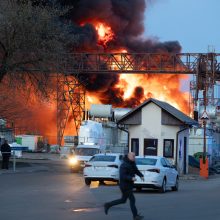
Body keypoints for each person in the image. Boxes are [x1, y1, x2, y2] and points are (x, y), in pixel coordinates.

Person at [104, 152, 144, 220]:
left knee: (123, 200)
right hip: (125, 186)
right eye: (133, 156)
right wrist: (131, 178)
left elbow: (136, 170)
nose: (134, 158)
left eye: (134, 156)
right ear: (128, 156)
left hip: (129, 185)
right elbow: (123, 176)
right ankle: (135, 216)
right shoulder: (124, 165)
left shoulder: (132, 163)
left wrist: (141, 175)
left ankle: (108, 205)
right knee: (132, 200)